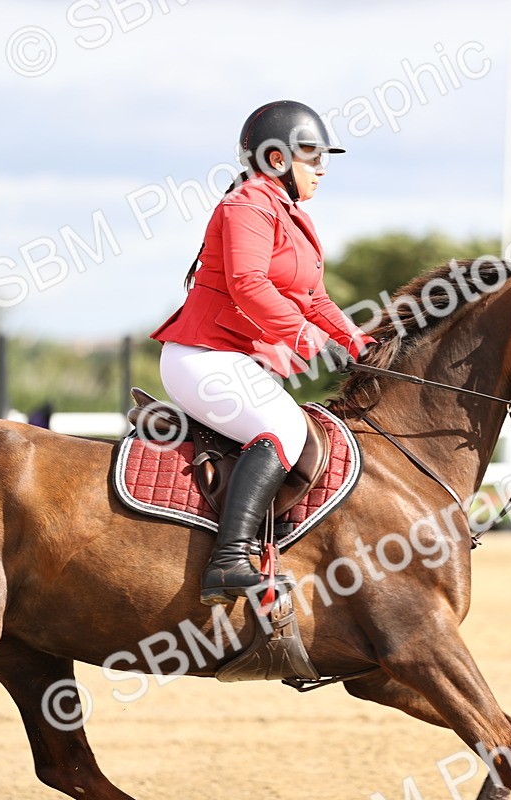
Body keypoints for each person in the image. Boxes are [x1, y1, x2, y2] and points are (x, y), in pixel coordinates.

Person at [150, 100, 375, 605]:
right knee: (286, 430)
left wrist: (357, 341)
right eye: (312, 156)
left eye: (324, 159)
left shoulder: (289, 214)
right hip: (200, 356)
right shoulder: (247, 205)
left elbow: (313, 298)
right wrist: (305, 339)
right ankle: (228, 562)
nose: (321, 168)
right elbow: (247, 283)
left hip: (228, 358)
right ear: (277, 159)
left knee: (294, 427)